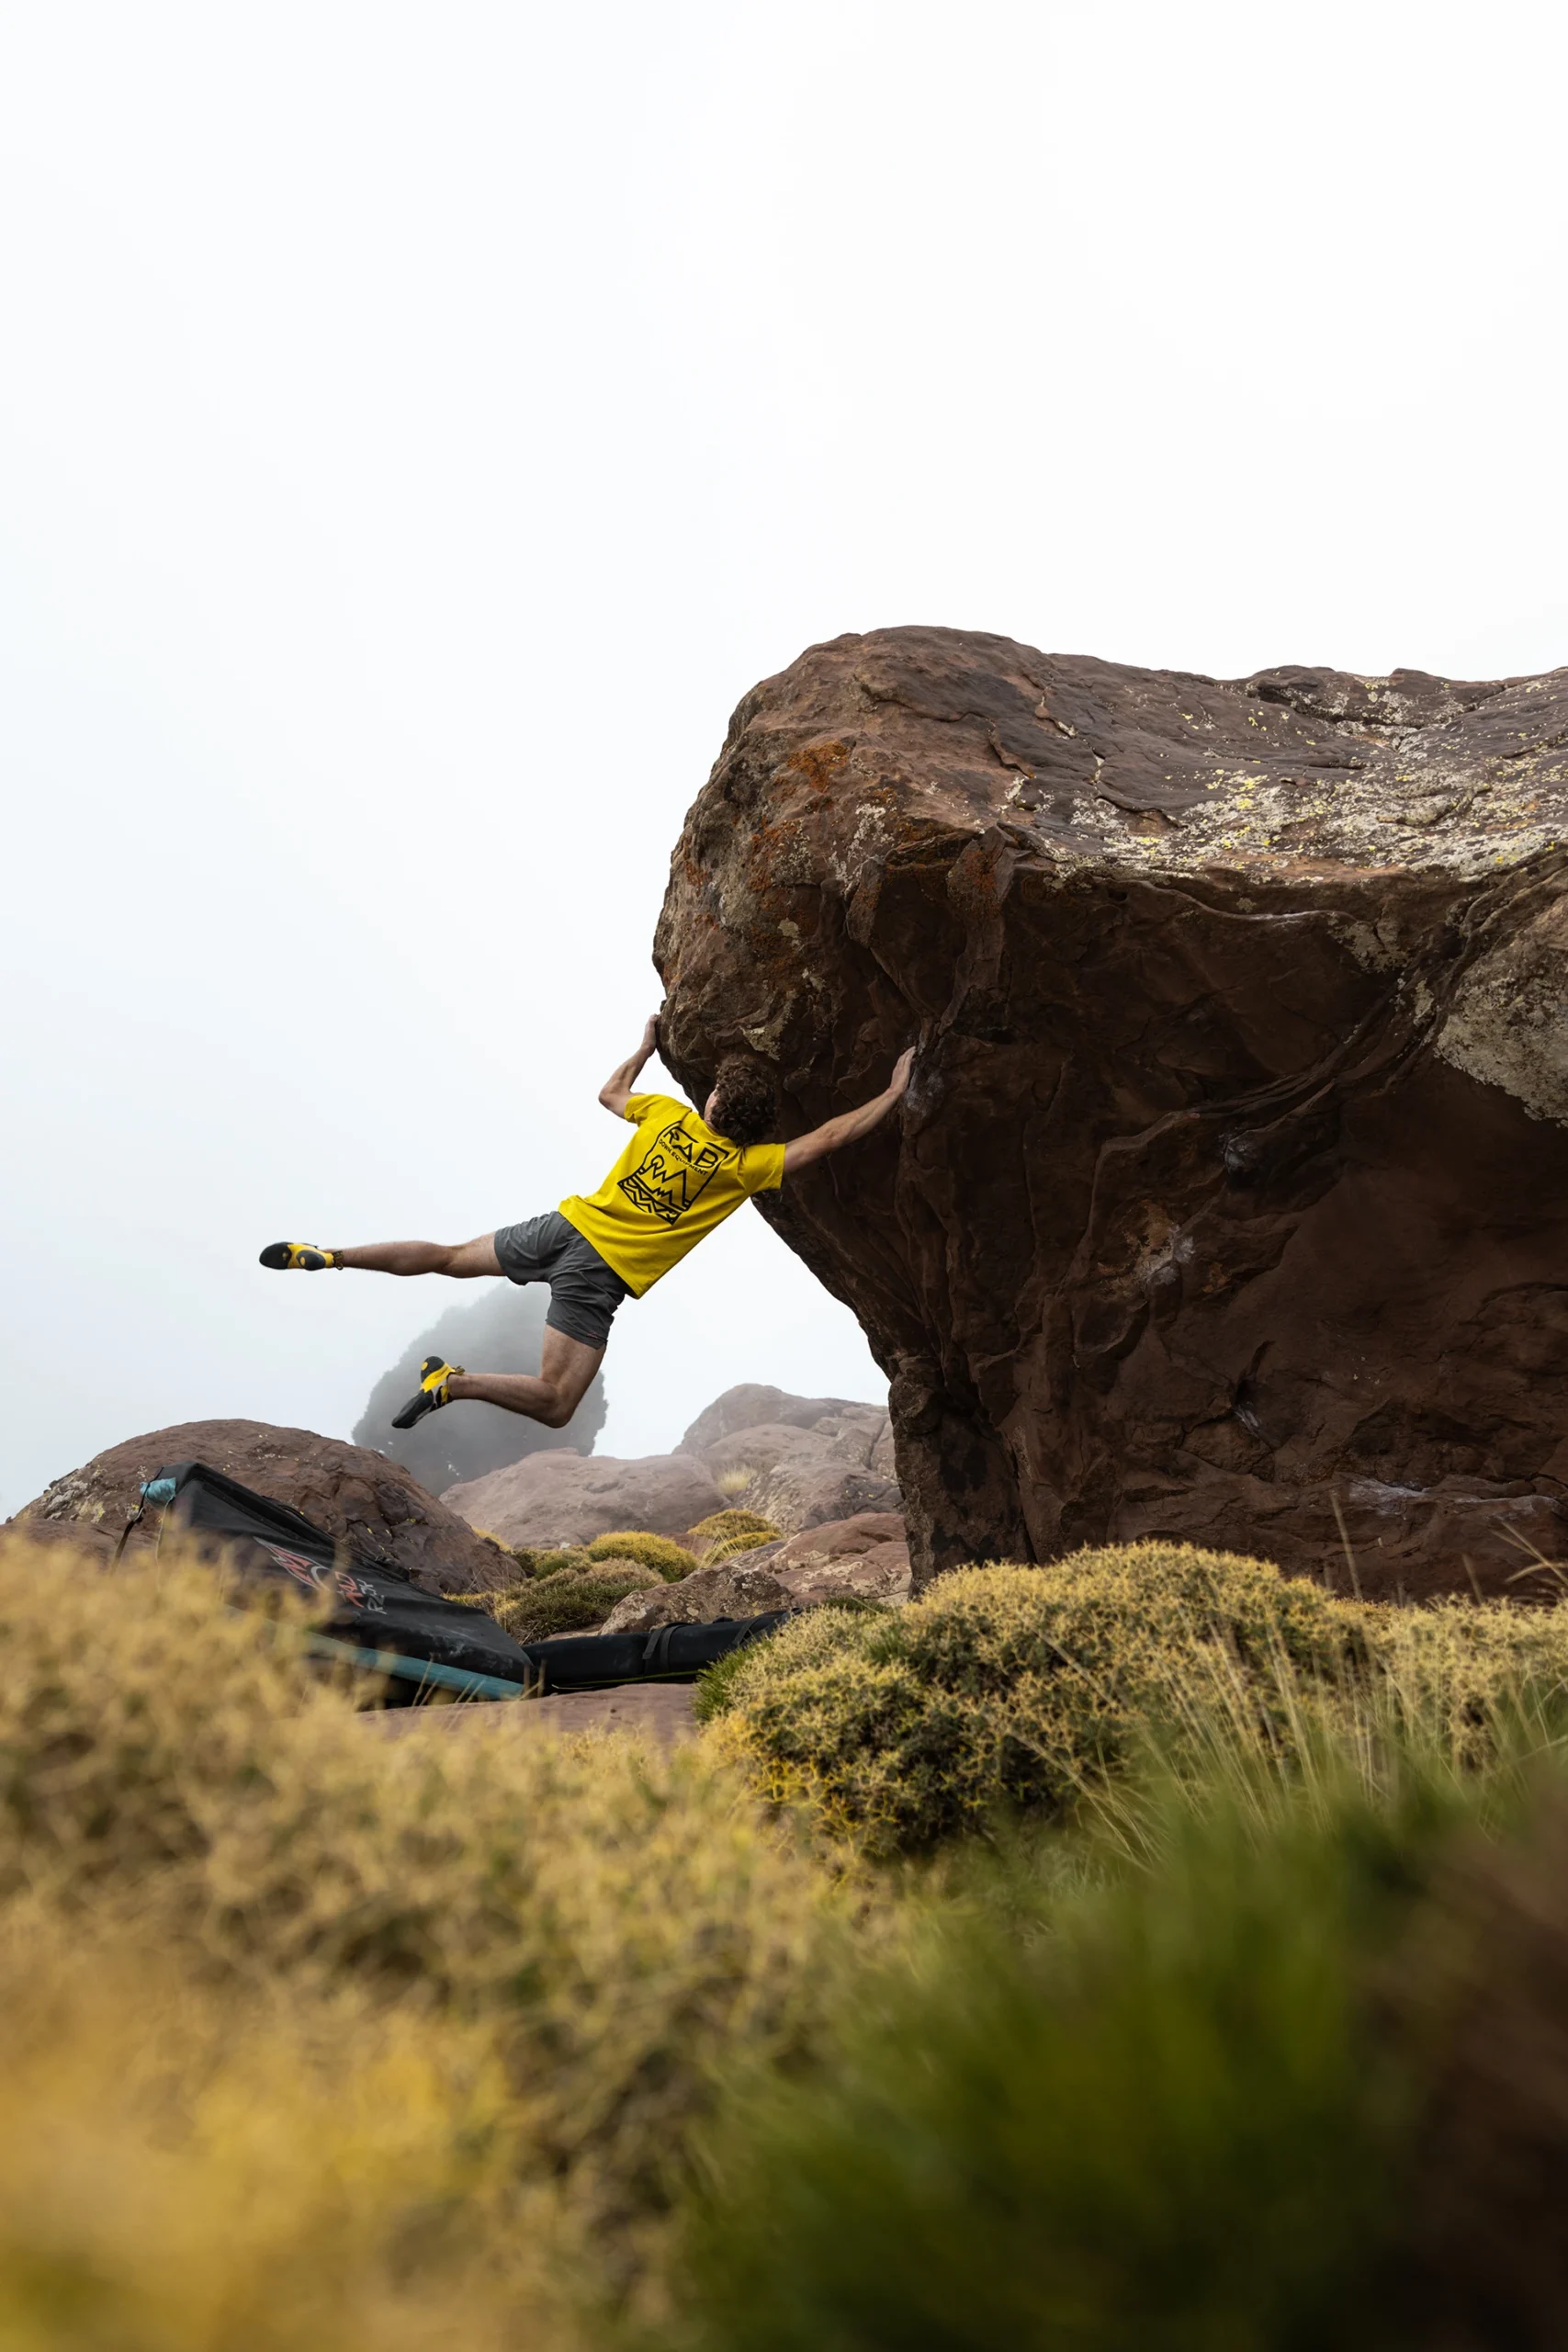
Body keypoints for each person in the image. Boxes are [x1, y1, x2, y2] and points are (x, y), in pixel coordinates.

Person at [261, 1016, 914, 1434]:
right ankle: (451, 1385)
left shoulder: (665, 1116)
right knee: (555, 1404)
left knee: (449, 1255)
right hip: (598, 1271)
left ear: (712, 1102)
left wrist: (643, 1048)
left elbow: (608, 1094)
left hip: (565, 1226)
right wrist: (890, 1094)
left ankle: (333, 1254)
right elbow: (828, 1138)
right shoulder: (748, 1167)